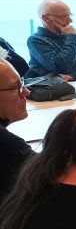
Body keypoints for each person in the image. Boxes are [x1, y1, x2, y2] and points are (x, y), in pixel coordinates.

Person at [26, 0, 76, 81]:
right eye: (64, 16)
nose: (70, 20)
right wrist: (72, 37)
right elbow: (62, 68)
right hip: (55, 88)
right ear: (46, 18)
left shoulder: (69, 35)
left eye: (70, 15)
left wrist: (72, 76)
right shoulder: (35, 40)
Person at [0, 59, 32, 199]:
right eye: (16, 87)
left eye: (22, 84)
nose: (26, 92)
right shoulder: (8, 145)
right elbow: (49, 175)